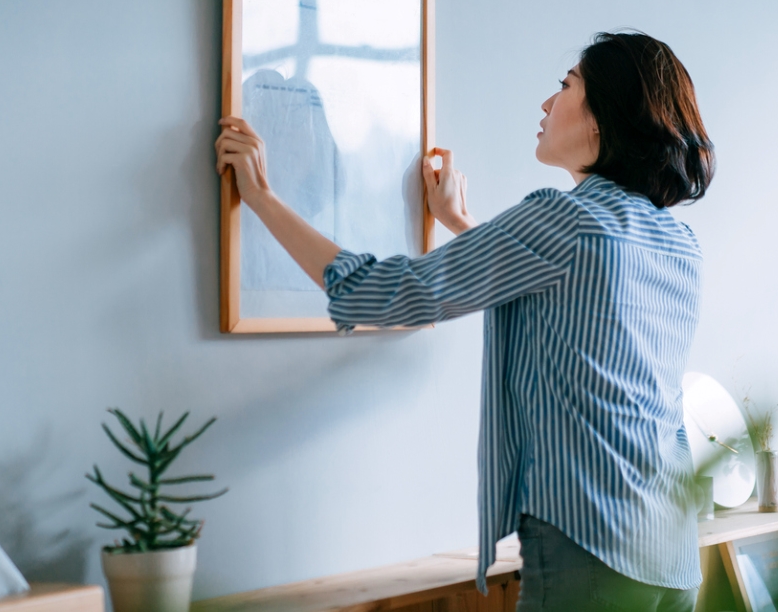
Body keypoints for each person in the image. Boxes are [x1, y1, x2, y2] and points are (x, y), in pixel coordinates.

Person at [215, 31, 715, 612]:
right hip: (672, 554)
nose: (548, 104)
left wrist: (260, 194)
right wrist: (458, 220)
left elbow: (386, 293)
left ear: (602, 118)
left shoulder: (564, 221)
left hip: (595, 546)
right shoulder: (676, 240)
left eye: (566, 85)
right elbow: (565, 296)